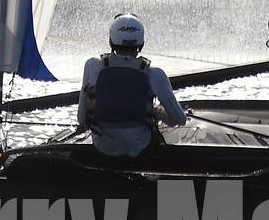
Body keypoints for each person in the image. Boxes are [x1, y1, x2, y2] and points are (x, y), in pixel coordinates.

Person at [78, 13, 188, 158]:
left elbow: (81, 118)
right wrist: (155, 111)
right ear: (141, 43)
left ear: (111, 40)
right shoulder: (155, 74)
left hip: (103, 147)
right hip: (140, 146)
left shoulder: (92, 66)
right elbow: (179, 120)